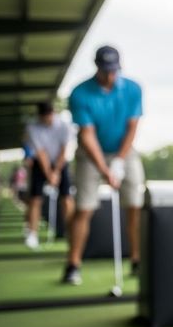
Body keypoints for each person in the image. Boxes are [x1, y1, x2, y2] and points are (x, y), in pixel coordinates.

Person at [64, 46, 145, 285]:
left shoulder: (132, 88)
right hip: (90, 155)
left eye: (114, 70)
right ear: (97, 67)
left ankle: (137, 260)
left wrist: (119, 161)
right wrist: (105, 169)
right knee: (84, 208)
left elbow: (132, 127)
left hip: (124, 150)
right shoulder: (80, 93)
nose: (111, 76)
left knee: (135, 205)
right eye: (105, 70)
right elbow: (87, 136)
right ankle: (73, 264)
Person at [23, 101, 75, 250]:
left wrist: (57, 172)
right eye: (44, 116)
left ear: (54, 113)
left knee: (67, 198)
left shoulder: (65, 126)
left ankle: (71, 232)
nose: (47, 119)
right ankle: (32, 234)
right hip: (41, 164)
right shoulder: (32, 128)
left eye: (49, 115)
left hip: (61, 161)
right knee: (35, 198)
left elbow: (64, 150)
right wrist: (49, 174)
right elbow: (41, 153)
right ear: (39, 116)